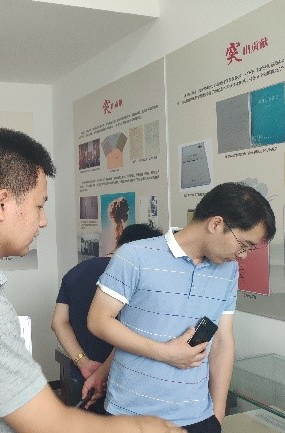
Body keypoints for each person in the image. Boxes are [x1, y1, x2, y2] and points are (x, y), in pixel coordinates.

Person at [0, 128, 184, 433]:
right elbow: (50, 424)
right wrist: (143, 428)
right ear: (1, 204)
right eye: (39, 205)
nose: (43, 221)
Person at [86, 182, 276, 433]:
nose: (243, 255)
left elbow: (222, 341)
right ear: (216, 224)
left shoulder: (228, 270)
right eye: (243, 244)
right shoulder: (135, 256)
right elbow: (98, 320)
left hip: (198, 416)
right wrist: (166, 353)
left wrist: (217, 415)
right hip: (132, 415)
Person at [51, 224, 162, 413]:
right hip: (120, 381)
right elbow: (133, 330)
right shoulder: (134, 276)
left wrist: (83, 362)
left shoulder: (75, 272)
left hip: (81, 376)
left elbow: (58, 323)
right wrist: (102, 372)